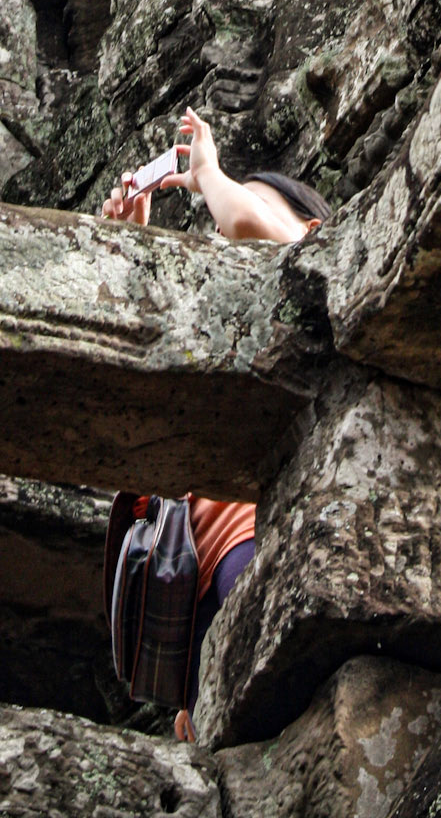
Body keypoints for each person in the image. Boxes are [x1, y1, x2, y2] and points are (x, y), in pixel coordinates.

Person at [102, 106, 328, 739]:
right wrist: (132, 250)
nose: (224, 231)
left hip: (253, 547)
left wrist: (210, 177)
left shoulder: (314, 265)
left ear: (311, 227)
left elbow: (250, 222)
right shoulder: (230, 340)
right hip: (198, 588)